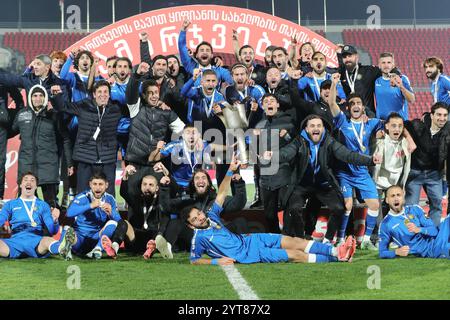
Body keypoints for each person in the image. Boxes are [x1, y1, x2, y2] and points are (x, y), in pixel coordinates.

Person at [181, 157, 357, 265]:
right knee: (296, 255)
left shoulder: (211, 215)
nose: (200, 218)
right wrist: (215, 261)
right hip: (249, 254)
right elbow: (194, 260)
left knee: (295, 241)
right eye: (196, 219)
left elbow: (221, 194)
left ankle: (336, 251)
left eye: (199, 214)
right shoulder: (199, 238)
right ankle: (338, 258)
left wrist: (230, 171)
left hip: (251, 239)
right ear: (191, 225)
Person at [266, 114, 381, 243]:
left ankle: (328, 240)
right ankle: (301, 239)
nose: (316, 128)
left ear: (322, 128)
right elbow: (287, 152)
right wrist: (274, 155)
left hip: (323, 184)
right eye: (313, 126)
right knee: (293, 208)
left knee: (339, 208)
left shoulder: (329, 141)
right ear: (307, 129)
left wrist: (370, 160)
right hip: (302, 184)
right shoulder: (299, 141)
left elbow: (348, 155)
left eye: (319, 126)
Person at [328, 74, 384, 249]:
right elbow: (331, 104)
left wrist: (381, 131)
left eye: (359, 103)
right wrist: (334, 84)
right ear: (348, 107)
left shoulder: (372, 122)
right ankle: (341, 238)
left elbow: (389, 123)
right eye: (352, 104)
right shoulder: (343, 122)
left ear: (363, 107)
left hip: (361, 171)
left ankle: (366, 240)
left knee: (374, 204)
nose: (356, 106)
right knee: (348, 204)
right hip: (344, 170)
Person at [50, 80, 122, 195]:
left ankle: (108, 213)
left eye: (105, 92)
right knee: (83, 194)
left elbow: (132, 106)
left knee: (109, 195)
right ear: (94, 94)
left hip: (107, 159)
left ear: (109, 94)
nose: (102, 95)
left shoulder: (116, 108)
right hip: (85, 158)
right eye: (99, 92)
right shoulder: (84, 105)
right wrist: (56, 95)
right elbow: (63, 107)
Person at [11, 85, 73, 208]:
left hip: (48, 168)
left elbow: (65, 139)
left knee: (50, 205)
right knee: (25, 204)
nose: (38, 98)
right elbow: (10, 131)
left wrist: (69, 163)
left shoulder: (54, 116)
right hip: (26, 167)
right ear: (30, 98)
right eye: (35, 95)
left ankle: (51, 227)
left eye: (41, 95)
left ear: (45, 98)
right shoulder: (22, 114)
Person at [108, 165, 173, 259]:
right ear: (141, 186)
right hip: (135, 238)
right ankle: (114, 247)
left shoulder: (160, 200)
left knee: (164, 219)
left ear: (157, 188)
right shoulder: (136, 199)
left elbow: (173, 191)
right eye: (145, 184)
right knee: (123, 222)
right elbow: (124, 193)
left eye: (151, 185)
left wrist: (167, 174)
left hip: (152, 237)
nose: (147, 187)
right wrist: (125, 176)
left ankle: (151, 249)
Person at [53, 172, 122, 260]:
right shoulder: (82, 197)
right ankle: (67, 245)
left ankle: (97, 250)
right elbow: (69, 213)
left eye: (101, 184)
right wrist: (90, 206)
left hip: (96, 237)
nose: (97, 187)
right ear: (90, 185)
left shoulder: (110, 199)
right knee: (68, 229)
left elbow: (119, 220)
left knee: (113, 223)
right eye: (95, 184)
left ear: (106, 185)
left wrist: (112, 212)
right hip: (80, 237)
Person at [404, 102, 450, 226]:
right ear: (432, 115)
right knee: (410, 208)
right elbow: (400, 124)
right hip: (414, 173)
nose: (442, 118)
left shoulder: (448, 131)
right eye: (439, 115)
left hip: (435, 175)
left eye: (445, 115)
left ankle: (433, 234)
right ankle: (410, 237)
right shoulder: (418, 125)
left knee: (437, 206)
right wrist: (409, 139)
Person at [255, 94, 295, 233]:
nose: (269, 103)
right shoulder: (258, 124)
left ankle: (290, 238)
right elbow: (252, 148)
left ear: (278, 105)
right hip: (266, 174)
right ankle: (276, 239)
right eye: (265, 101)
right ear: (263, 106)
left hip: (283, 171)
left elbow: (296, 145)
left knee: (288, 207)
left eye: (272, 101)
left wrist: (287, 135)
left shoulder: (288, 121)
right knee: (269, 214)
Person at [125, 76, 184, 169]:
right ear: (144, 95)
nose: (154, 96)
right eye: (150, 93)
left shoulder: (167, 112)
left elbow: (184, 131)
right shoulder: (136, 109)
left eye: (156, 92)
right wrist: (137, 75)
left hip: (155, 162)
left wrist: (169, 147)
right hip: (134, 162)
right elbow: (130, 93)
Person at [379, 185, 450, 259]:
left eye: (398, 195)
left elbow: (434, 231)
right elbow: (382, 252)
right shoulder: (386, 224)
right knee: (446, 247)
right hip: (430, 251)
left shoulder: (415, 209)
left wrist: (419, 229)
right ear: (387, 200)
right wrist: (396, 252)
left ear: (403, 196)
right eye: (392, 196)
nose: (396, 198)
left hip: (439, 237)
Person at [0, 172, 60, 259]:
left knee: (48, 241)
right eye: (25, 180)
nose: (29, 182)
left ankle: (62, 249)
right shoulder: (10, 204)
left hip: (36, 241)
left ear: (36, 186)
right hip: (14, 243)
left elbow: (52, 231)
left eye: (32, 180)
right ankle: (61, 247)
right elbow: (1, 218)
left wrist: (55, 220)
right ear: (20, 185)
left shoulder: (43, 205)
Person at [372, 112, 411, 215]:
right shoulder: (380, 140)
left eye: (400, 126)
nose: (397, 129)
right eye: (393, 126)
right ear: (387, 126)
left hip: (396, 183)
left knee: (395, 213)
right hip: (379, 182)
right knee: (376, 212)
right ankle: (378, 230)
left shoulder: (406, 142)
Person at [178, 19, 233, 89]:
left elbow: (234, 80)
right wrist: (183, 30)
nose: (204, 52)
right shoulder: (191, 67)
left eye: (207, 50)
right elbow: (182, 48)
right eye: (201, 50)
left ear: (212, 55)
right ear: (197, 55)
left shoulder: (220, 71)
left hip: (216, 100)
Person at [337, 45, 381, 116]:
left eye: (350, 56)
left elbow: (386, 69)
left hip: (368, 116)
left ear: (356, 56)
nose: (347, 59)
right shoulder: (341, 74)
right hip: (350, 117)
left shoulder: (368, 71)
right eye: (344, 57)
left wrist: (396, 72)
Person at [374, 52, 415, 120]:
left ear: (393, 65)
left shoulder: (402, 78)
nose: (386, 65)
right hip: (381, 122)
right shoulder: (376, 81)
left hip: (399, 122)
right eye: (383, 63)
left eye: (389, 62)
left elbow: (412, 100)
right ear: (379, 65)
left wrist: (401, 86)